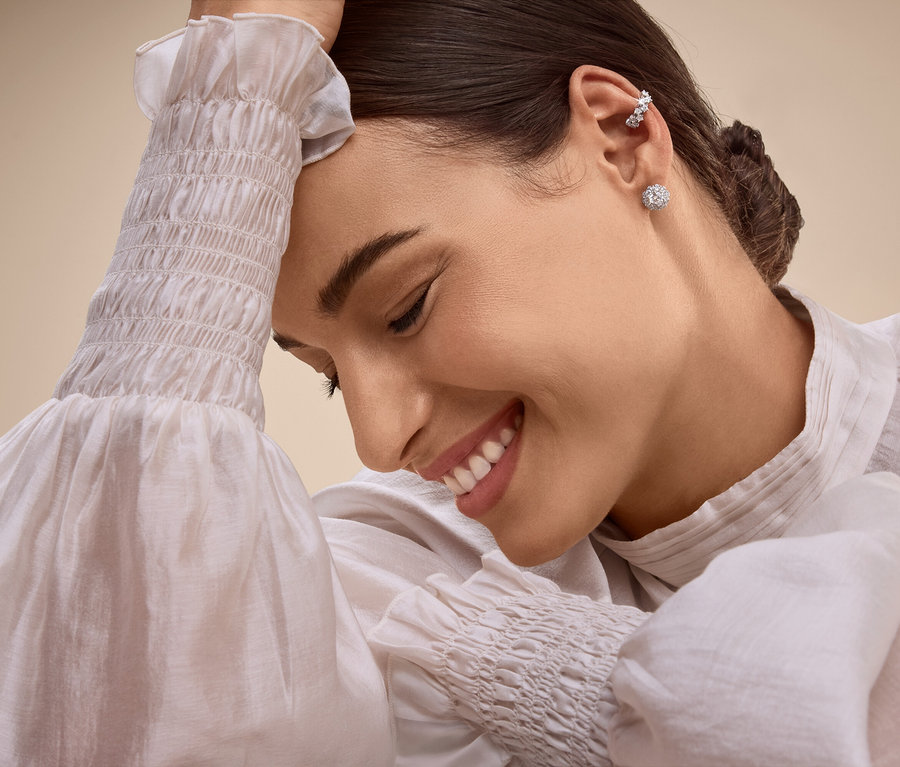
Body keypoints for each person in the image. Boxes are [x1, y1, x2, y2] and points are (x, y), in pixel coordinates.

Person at [0, 2, 896, 767]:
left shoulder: (438, 635)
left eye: (406, 309)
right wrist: (226, 106)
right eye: (327, 378)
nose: (378, 438)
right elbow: (90, 686)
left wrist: (592, 685)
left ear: (624, 139)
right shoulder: (390, 581)